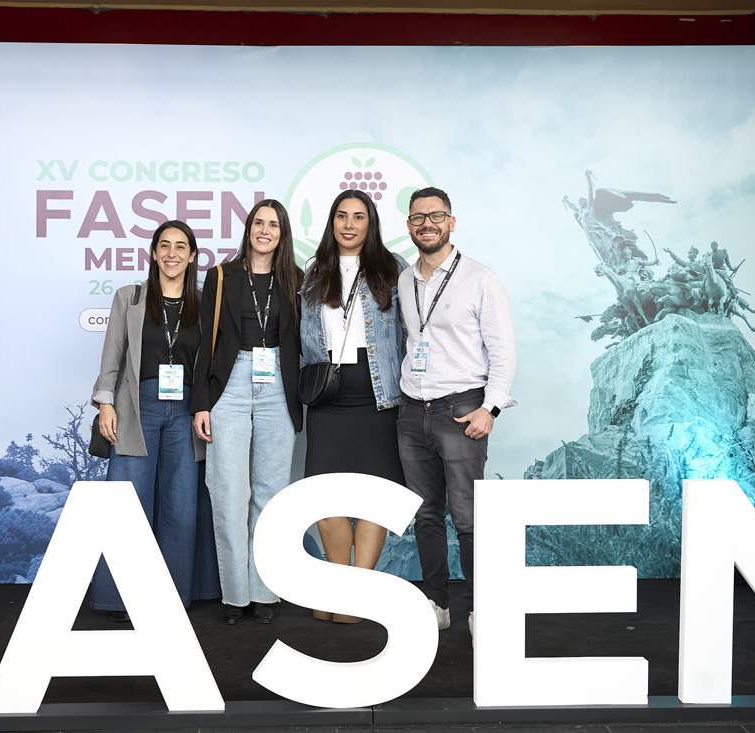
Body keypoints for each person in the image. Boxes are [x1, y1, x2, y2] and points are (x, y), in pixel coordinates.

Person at [396, 187, 516, 639]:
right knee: (425, 515)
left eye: (436, 215)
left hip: (462, 409)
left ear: (451, 222)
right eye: (418, 217)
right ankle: (437, 603)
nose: (427, 224)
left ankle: (478, 609)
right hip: (413, 410)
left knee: (467, 518)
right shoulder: (405, 280)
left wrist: (491, 408)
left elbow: (502, 350)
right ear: (409, 226)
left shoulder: (480, 278)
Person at [90, 220, 219, 619]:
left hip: (185, 412)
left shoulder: (204, 304)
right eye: (164, 245)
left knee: (181, 509)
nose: (171, 253)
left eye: (180, 247)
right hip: (135, 408)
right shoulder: (129, 297)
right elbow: (112, 353)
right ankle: (120, 599)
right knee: (128, 507)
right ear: (153, 253)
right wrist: (105, 403)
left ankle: (171, 600)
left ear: (193, 256)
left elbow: (210, 365)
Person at [191, 199, 304, 625]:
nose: (265, 230)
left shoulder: (296, 280)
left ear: (282, 233)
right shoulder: (221, 276)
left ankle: (264, 592)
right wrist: (201, 403)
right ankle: (235, 595)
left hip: (278, 384)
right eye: (259, 222)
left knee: (271, 493)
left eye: (273, 224)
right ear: (249, 228)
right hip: (231, 383)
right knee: (228, 491)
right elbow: (205, 343)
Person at [299, 190, 408, 623]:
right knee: (325, 497)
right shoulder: (314, 272)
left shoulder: (392, 268)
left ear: (370, 223)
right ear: (332, 222)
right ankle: (338, 588)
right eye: (342, 216)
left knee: (374, 498)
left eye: (359, 217)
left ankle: (356, 596)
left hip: (379, 396)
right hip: (328, 397)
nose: (349, 224)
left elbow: (411, 331)